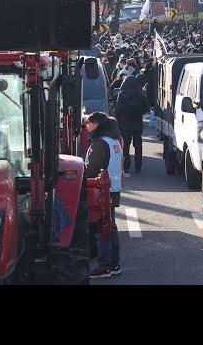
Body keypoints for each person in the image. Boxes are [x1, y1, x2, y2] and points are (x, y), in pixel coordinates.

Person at [84, 112, 123, 279]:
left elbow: (91, 169)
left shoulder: (100, 144)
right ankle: (114, 265)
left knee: (102, 229)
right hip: (113, 189)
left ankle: (104, 265)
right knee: (110, 227)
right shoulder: (114, 140)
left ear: (97, 125)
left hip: (101, 190)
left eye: (89, 124)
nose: (86, 128)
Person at [114, 75, 150, 174]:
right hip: (137, 123)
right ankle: (138, 166)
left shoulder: (122, 95)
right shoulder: (141, 94)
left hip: (125, 124)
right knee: (138, 146)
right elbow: (147, 107)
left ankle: (126, 167)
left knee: (125, 146)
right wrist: (140, 112)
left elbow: (117, 111)